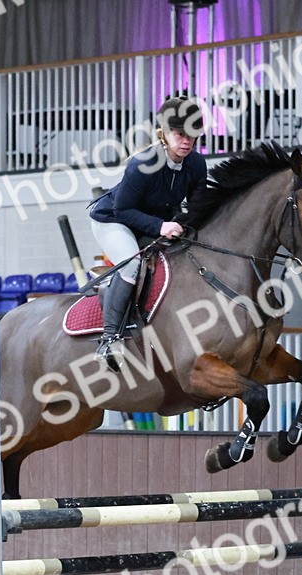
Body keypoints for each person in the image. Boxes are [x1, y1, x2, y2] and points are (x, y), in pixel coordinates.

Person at [88, 96, 208, 371]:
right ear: (164, 134)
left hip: (150, 222)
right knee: (132, 263)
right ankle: (109, 339)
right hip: (114, 220)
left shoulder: (196, 165)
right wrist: (161, 227)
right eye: (180, 135)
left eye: (192, 135)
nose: (186, 141)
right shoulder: (143, 163)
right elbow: (123, 210)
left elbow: (199, 208)